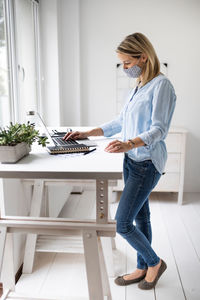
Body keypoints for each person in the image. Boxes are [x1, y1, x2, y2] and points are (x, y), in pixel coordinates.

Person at [63, 32, 176, 290]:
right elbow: (121, 122)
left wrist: (129, 143)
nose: (124, 67)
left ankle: (154, 262)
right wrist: (89, 132)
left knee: (123, 223)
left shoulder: (162, 86)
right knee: (141, 218)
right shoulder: (138, 85)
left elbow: (159, 130)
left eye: (127, 62)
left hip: (146, 162)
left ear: (143, 57)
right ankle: (142, 267)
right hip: (131, 161)